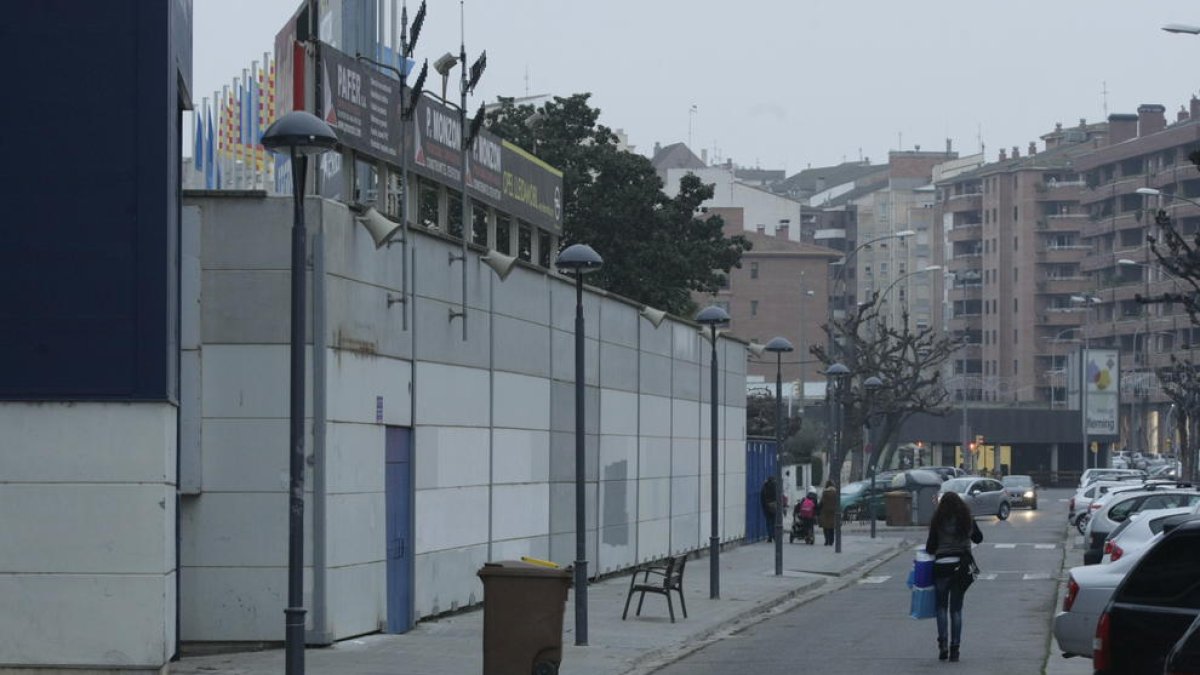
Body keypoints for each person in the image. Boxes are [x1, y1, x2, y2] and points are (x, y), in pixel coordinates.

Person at [924, 491, 983, 662]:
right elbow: (979, 538)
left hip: (942, 566)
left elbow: (930, 547)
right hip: (960, 567)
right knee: (956, 609)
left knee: (941, 608)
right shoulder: (966, 519)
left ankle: (942, 644)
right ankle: (955, 648)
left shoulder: (937, 520)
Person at [818, 480, 838, 546]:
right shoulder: (835, 492)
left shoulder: (825, 492)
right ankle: (831, 541)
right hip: (833, 512)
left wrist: (818, 508)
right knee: (831, 527)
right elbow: (837, 502)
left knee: (825, 527)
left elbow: (821, 502)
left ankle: (826, 540)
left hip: (825, 512)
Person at [760, 476, 778, 542]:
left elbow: (762, 497)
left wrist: (764, 506)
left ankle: (769, 536)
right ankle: (774, 536)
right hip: (774, 506)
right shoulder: (775, 486)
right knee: (774, 522)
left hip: (766, 507)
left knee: (768, 522)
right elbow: (778, 496)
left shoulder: (764, 487)